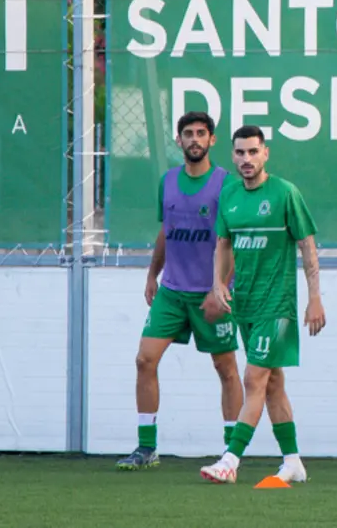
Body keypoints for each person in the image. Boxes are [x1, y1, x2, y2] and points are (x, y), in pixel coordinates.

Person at [199, 125, 326, 484]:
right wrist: (218, 283)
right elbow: (223, 244)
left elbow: (308, 246)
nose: (246, 159)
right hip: (246, 305)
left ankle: (231, 459)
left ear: (265, 153)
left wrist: (315, 298)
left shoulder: (286, 193)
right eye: (240, 153)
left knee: (254, 378)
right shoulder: (230, 195)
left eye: (253, 152)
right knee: (273, 384)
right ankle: (293, 463)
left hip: (278, 305)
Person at [116, 111, 243, 471]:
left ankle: (231, 454)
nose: (194, 139)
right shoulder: (168, 181)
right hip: (172, 291)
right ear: (179, 140)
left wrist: (220, 288)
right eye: (188, 133)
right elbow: (165, 232)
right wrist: (151, 275)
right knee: (145, 360)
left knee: (226, 368)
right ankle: (146, 448)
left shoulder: (225, 184)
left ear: (212, 140)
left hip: (211, 294)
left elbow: (230, 240)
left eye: (201, 133)